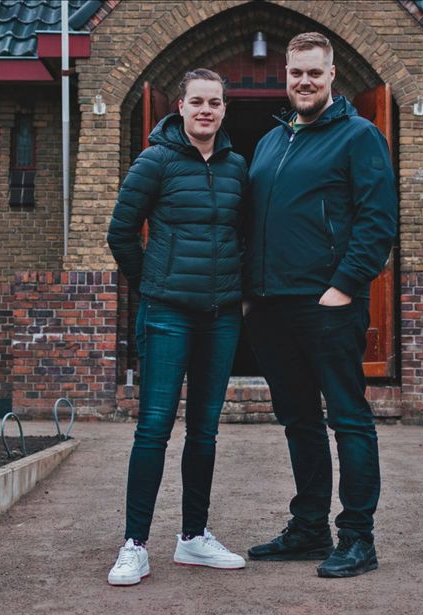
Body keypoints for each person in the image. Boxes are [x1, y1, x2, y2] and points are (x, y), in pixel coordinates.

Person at [242, 32, 398, 578]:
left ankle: (357, 537)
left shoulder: (359, 137)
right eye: (295, 73)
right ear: (284, 76)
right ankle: (309, 528)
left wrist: (345, 286)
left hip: (328, 305)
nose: (303, 81)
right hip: (270, 308)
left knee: (349, 420)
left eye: (314, 72)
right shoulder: (271, 142)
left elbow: (378, 221)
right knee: (299, 422)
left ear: (332, 76)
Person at [105, 68, 249, 586]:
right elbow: (120, 231)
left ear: (223, 109)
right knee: (154, 428)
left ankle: (193, 538)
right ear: (181, 107)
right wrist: (152, 283)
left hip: (221, 316)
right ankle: (135, 545)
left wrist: (239, 289)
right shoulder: (155, 160)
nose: (206, 110)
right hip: (166, 314)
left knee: (205, 431)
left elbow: (244, 234)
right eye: (197, 102)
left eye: (215, 102)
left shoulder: (237, 167)